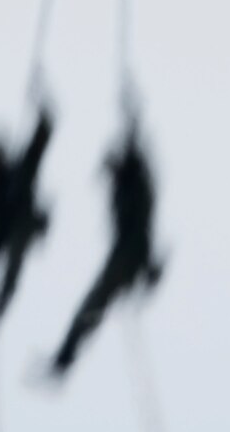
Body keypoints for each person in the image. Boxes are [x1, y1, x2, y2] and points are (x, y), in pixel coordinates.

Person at [44, 116, 166, 377]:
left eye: (112, 169)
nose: (110, 176)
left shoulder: (137, 185)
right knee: (90, 308)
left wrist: (131, 120)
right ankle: (65, 356)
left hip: (129, 255)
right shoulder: (127, 187)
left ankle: (65, 357)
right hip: (124, 254)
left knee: (91, 307)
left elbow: (136, 153)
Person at [0, 103, 56, 331]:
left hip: (21, 225)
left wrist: (43, 121)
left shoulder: (18, 171)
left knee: (14, 258)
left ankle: (1, 303)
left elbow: (36, 149)